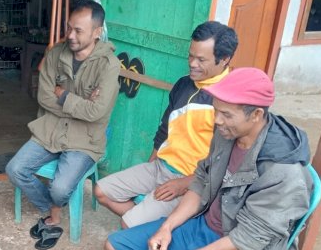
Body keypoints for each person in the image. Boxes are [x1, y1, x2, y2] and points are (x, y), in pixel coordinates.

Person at [104, 68, 311, 250]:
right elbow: (200, 183)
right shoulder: (228, 134)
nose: (217, 121)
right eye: (217, 112)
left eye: (227, 115)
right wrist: (167, 227)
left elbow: (246, 239)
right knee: (115, 248)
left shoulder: (283, 172)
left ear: (256, 115)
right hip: (204, 226)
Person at [95, 21, 238, 228]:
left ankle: (148, 228)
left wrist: (184, 184)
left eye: (201, 59)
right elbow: (164, 130)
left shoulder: (228, 102)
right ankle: (150, 228)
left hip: (192, 181)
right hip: (161, 166)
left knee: (128, 224)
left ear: (224, 60)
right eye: (190, 55)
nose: (192, 63)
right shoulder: (183, 84)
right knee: (102, 192)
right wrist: (151, 164)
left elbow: (225, 162)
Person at [6, 0, 120, 250]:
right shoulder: (56, 53)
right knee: (15, 169)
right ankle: (53, 211)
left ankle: (54, 212)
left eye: (78, 30)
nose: (70, 35)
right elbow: (44, 97)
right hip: (51, 129)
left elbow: (97, 112)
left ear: (96, 32)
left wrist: (64, 96)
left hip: (85, 139)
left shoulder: (109, 65)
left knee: (59, 188)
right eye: (69, 28)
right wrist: (79, 105)